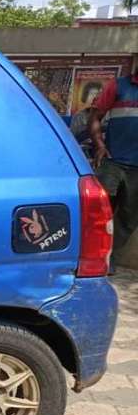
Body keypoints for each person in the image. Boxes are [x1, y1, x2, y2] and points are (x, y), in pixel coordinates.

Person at [88, 62, 138, 264]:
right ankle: (91, 257)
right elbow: (94, 118)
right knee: (98, 212)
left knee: (128, 218)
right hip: (112, 162)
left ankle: (110, 260)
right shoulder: (118, 86)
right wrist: (100, 145)